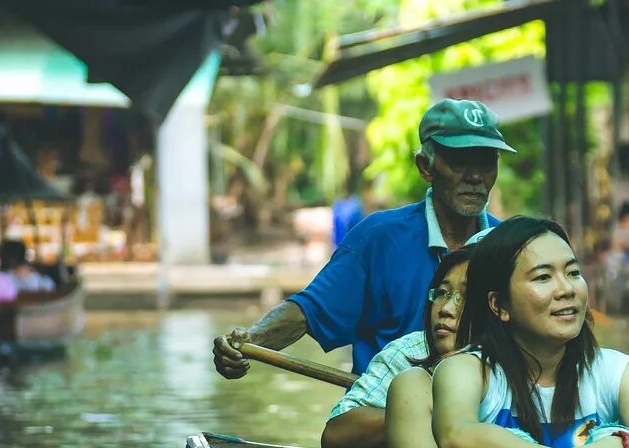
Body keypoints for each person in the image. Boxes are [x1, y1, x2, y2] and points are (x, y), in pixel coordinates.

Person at [212, 98, 514, 379]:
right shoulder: (378, 238)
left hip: (481, 420)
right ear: (425, 167)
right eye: (460, 162)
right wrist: (248, 343)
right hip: (382, 416)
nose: (475, 177)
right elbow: (307, 312)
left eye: (486, 162)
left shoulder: (510, 246)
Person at [432, 216, 629, 448]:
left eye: (573, 273)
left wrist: (618, 446)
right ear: (499, 304)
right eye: (543, 277)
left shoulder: (619, 372)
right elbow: (458, 436)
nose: (566, 289)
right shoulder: (466, 370)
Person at [322, 246, 473, 448]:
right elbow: (335, 435)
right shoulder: (409, 352)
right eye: (443, 293)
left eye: (466, 296)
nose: (446, 308)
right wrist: (418, 414)